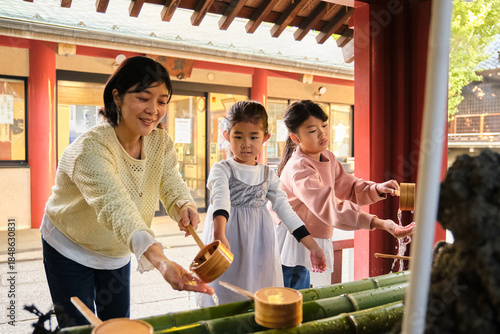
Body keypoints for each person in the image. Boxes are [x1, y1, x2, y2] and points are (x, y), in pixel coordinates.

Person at [41, 56, 213, 328]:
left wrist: (184, 204)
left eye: (162, 101)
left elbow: (170, 179)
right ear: (117, 97)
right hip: (69, 247)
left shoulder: (160, 141)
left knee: (120, 324)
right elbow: (115, 206)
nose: (153, 110)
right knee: (78, 329)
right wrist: (161, 261)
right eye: (143, 98)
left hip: (118, 249)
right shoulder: (91, 149)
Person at [197, 101, 327, 307]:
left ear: (265, 138)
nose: (246, 143)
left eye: (253, 137)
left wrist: (313, 247)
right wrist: (219, 234)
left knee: (258, 296)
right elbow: (220, 198)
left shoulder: (268, 174)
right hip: (226, 239)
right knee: (224, 293)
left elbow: (286, 211)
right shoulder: (222, 169)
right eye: (238, 136)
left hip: (260, 244)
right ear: (226, 136)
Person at [275, 100, 415, 290]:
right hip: (292, 240)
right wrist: (379, 223)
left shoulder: (328, 157)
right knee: (284, 299)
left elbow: (349, 186)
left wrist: (376, 189)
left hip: (308, 238)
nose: (323, 133)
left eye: (324, 125)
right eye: (312, 130)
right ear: (296, 138)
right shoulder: (299, 168)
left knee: (297, 297)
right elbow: (329, 206)